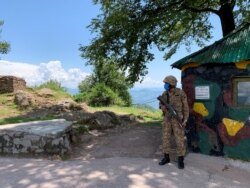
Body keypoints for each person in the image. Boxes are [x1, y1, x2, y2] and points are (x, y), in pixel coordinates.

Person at [158, 75, 189, 169]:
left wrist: (185, 119)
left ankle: (180, 160)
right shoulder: (165, 94)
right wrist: (161, 107)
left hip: (178, 119)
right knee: (165, 138)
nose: (165, 85)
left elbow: (186, 107)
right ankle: (166, 157)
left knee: (179, 139)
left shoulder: (180, 93)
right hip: (167, 119)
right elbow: (160, 104)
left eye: (166, 83)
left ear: (171, 84)